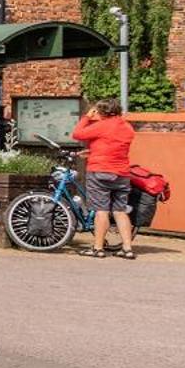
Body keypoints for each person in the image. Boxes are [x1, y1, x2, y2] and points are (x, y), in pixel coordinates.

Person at [70, 99, 138, 259]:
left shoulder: (102, 125)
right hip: (121, 173)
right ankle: (127, 248)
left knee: (101, 211)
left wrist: (86, 118)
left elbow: (77, 134)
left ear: (101, 112)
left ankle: (98, 248)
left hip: (100, 172)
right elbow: (112, 146)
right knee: (120, 211)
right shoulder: (127, 127)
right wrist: (93, 152)